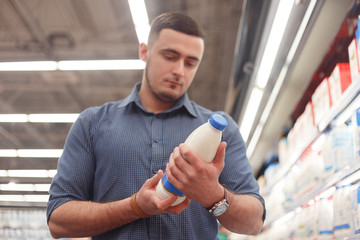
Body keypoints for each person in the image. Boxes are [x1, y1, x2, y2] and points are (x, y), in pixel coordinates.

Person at [47, 12, 266, 239]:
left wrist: (214, 195)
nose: (180, 71)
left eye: (191, 63)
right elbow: (58, 220)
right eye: (170, 56)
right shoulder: (92, 124)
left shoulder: (221, 130)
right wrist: (134, 207)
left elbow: (253, 223)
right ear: (145, 51)